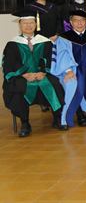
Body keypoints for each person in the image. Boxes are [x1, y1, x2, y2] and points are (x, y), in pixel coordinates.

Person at [2, 9, 68, 137]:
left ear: (35, 24)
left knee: (54, 83)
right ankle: (25, 123)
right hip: (22, 76)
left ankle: (57, 119)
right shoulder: (12, 44)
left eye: (31, 22)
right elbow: (9, 64)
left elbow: (52, 59)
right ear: (20, 25)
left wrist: (43, 71)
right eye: (25, 23)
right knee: (19, 88)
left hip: (43, 74)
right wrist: (24, 74)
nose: (28, 25)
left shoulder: (45, 41)